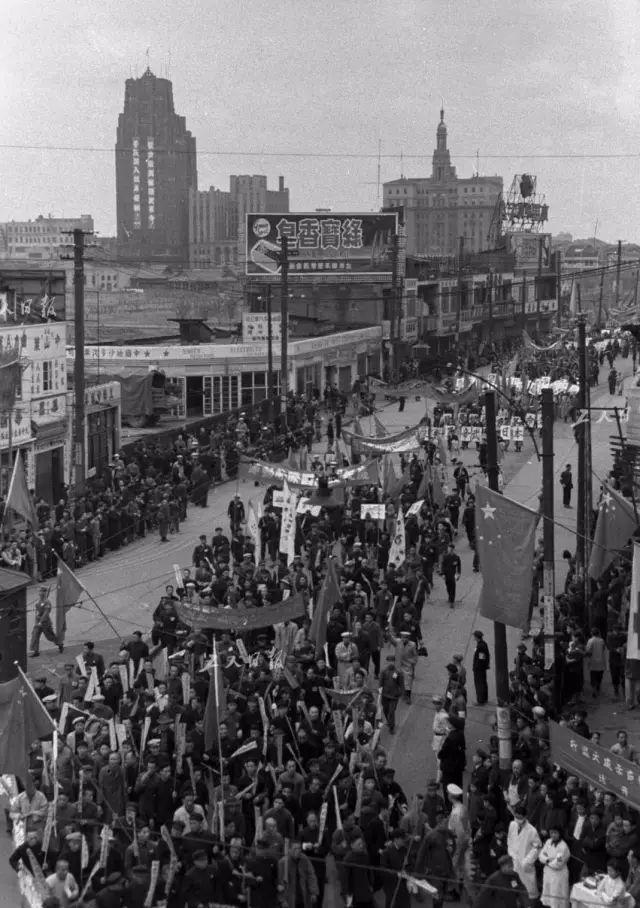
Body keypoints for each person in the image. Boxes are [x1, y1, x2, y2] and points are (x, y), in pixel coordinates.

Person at [507, 803, 542, 900]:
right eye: (516, 816)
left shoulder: (532, 831)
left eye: (520, 817)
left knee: (529, 888)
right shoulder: (512, 824)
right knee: (515, 884)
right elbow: (510, 840)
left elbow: (537, 847)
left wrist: (527, 861)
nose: (517, 819)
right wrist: (511, 853)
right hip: (514, 859)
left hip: (525, 862)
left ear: (525, 817)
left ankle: (532, 903)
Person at [539, 825, 570, 908]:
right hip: (548, 874)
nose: (553, 835)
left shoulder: (563, 847)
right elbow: (541, 855)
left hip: (558, 876)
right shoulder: (548, 841)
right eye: (551, 833)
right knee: (549, 896)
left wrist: (546, 860)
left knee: (557, 898)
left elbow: (558, 864)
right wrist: (549, 860)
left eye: (555, 833)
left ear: (560, 834)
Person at [30, 586, 63, 657]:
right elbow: (37, 612)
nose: (40, 593)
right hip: (38, 622)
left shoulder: (47, 602)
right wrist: (36, 621)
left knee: (50, 637)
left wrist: (40, 622)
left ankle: (60, 644)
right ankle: (36, 652)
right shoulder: (39, 601)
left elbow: (46, 613)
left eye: (41, 591)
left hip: (45, 623)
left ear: (45, 593)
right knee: (35, 635)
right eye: (39, 591)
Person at [379, 653, 405, 734]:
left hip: (394, 696)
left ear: (394, 662)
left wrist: (401, 694)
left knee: (391, 711)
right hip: (385, 695)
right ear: (387, 662)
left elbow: (401, 684)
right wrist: (380, 691)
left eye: (392, 661)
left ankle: (391, 727)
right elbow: (380, 683)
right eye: (389, 661)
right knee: (385, 710)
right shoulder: (383, 672)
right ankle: (389, 721)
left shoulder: (398, 672)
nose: (390, 663)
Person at [585, 627, 607, 698]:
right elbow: (603, 649)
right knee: (599, 676)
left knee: (593, 677)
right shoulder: (602, 640)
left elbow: (588, 651)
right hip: (601, 662)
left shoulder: (590, 641)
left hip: (593, 662)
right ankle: (598, 687)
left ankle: (594, 690)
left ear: (591, 633)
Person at [472, 629, 490, 705]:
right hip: (482, 668)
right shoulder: (483, 644)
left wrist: (476, 667)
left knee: (479, 684)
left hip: (479, 669)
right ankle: (484, 698)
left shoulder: (480, 646)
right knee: (483, 682)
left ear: (477, 637)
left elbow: (481, 658)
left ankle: (480, 700)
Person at [441, 543, 462, 607]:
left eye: (450, 549)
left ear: (453, 549)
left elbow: (459, 566)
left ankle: (452, 602)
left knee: (453, 587)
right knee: (448, 587)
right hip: (446, 574)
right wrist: (443, 574)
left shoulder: (456, 557)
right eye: (449, 548)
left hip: (453, 575)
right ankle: (450, 597)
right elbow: (443, 566)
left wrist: (458, 573)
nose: (449, 549)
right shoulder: (445, 557)